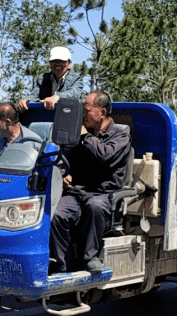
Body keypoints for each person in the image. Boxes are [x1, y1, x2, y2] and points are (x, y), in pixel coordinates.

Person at [49, 91, 131, 274]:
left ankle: (89, 257)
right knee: (57, 214)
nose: (82, 115)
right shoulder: (81, 135)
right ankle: (61, 267)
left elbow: (105, 157)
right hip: (77, 192)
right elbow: (65, 160)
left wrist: (85, 137)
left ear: (102, 112)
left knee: (95, 206)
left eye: (86, 111)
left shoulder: (121, 135)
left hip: (102, 194)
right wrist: (64, 176)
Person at [17, 46, 85, 114]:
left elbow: (74, 93)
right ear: (50, 63)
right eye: (54, 61)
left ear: (69, 63)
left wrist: (57, 97)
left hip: (67, 116)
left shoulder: (76, 79)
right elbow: (34, 95)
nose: (57, 63)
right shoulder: (42, 78)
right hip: (45, 117)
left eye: (61, 61)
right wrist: (25, 100)